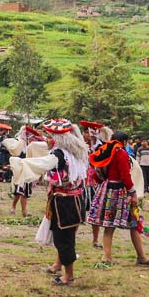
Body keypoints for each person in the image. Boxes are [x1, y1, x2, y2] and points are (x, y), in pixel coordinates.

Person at [87, 131, 149, 267]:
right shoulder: (121, 153)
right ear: (125, 142)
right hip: (120, 192)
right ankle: (141, 257)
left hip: (107, 190)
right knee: (133, 223)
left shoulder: (106, 151)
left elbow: (97, 171)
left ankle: (107, 257)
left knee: (110, 225)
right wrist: (133, 193)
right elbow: (125, 176)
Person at [37, 119, 89, 286]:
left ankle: (69, 275)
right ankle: (58, 265)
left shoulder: (58, 154)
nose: (46, 139)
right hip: (76, 200)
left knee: (63, 238)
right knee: (67, 235)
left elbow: (54, 175)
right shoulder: (74, 152)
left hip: (64, 202)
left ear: (57, 139)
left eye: (49, 136)